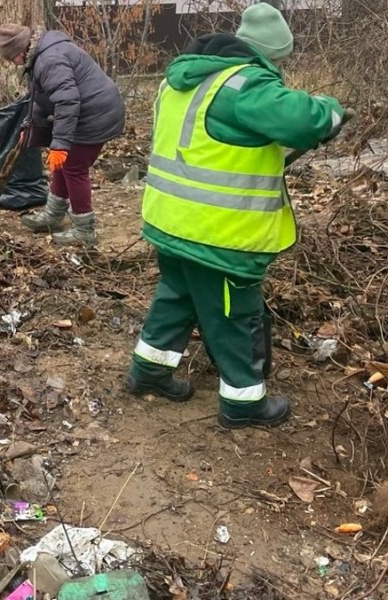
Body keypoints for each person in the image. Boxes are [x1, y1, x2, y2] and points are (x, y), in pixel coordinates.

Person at [125, 3, 345, 428]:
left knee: (177, 296)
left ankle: (148, 371)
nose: (277, 67)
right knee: (234, 314)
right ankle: (245, 404)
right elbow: (303, 118)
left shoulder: (184, 80)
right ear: (266, 52)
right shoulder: (245, 83)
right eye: (278, 59)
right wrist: (331, 112)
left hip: (171, 221)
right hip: (219, 234)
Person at [0, 24, 125, 246]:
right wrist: (31, 125)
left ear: (20, 50)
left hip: (97, 115)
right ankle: (53, 216)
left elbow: (66, 101)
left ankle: (84, 230)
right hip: (88, 112)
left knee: (73, 167)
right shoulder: (41, 54)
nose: (13, 64)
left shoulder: (48, 60)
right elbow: (43, 96)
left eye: (11, 58)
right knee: (63, 165)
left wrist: (61, 145)